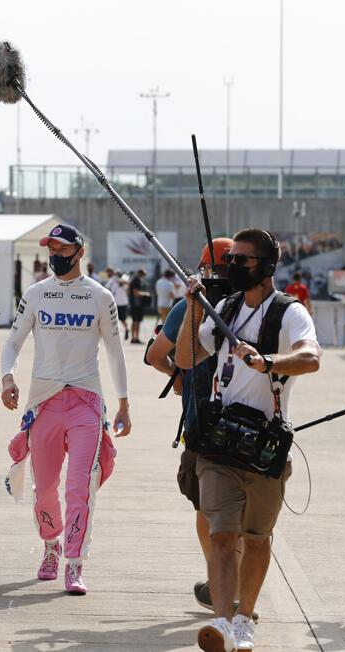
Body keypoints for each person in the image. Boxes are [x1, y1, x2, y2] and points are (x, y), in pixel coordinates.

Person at [175, 228, 320, 650]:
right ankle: (221, 622)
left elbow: (311, 357)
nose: (232, 266)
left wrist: (267, 361)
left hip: (264, 449)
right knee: (222, 534)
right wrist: (191, 308)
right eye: (230, 259)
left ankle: (244, 619)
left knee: (256, 540)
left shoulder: (288, 313)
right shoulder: (224, 309)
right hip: (218, 446)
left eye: (243, 260)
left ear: (268, 267)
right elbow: (185, 358)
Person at [0, 223, 131, 595]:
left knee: (80, 487)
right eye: (50, 250)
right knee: (45, 489)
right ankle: (51, 547)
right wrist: (7, 378)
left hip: (86, 403)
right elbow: (11, 344)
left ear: (79, 252)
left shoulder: (101, 296)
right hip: (43, 403)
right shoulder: (36, 293)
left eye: (61, 250)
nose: (54, 256)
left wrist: (123, 404)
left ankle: (74, 563)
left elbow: (116, 353)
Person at [146, 238, 237, 614]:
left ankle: (218, 578)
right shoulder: (252, 307)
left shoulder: (190, 305)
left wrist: (178, 372)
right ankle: (234, 586)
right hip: (248, 421)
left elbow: (155, 355)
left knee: (206, 507)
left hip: (201, 423)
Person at [104, 267, 130, 340]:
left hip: (123, 303)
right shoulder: (112, 280)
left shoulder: (124, 281)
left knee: (123, 319)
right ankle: (113, 334)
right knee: (112, 319)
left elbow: (128, 286)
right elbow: (106, 288)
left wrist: (123, 282)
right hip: (114, 303)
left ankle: (127, 329)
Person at [128, 268, 150, 343]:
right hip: (137, 304)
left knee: (135, 321)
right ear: (141, 274)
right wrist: (146, 294)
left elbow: (129, 292)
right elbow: (136, 293)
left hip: (134, 304)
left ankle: (133, 337)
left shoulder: (134, 280)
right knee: (137, 321)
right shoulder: (136, 281)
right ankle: (135, 338)